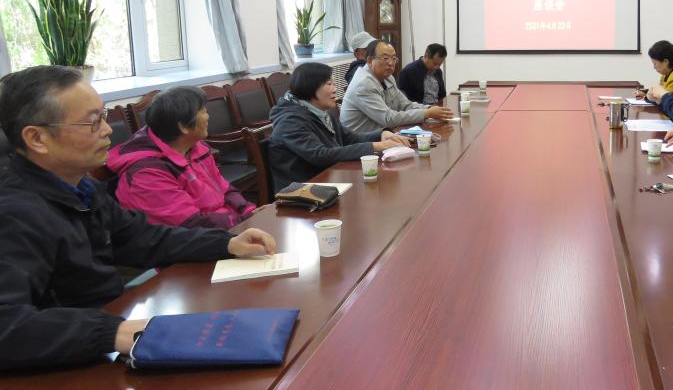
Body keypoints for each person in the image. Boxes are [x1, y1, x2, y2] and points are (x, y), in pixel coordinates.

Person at [0, 66, 276, 371]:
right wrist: (111, 333)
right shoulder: (14, 213)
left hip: (105, 333)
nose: (108, 130)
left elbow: (143, 238)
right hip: (64, 362)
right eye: (93, 122)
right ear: (37, 138)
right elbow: (7, 326)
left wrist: (225, 243)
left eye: (104, 116)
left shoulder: (82, 188)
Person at [106, 87, 256, 229]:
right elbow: (190, 223)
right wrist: (243, 220)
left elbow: (225, 189)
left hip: (226, 226)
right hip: (196, 239)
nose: (208, 116)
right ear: (183, 127)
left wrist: (248, 211)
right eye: (202, 111)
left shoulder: (196, 148)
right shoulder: (146, 173)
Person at [269, 62, 410, 192]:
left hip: (329, 181)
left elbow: (350, 138)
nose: (334, 89)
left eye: (334, 84)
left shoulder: (320, 113)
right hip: (303, 192)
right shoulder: (290, 121)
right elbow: (320, 155)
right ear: (310, 86)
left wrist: (382, 134)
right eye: (329, 84)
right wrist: (377, 146)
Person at [340, 40, 453, 134]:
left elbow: (405, 105)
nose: (391, 63)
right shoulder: (363, 84)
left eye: (394, 58)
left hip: (384, 135)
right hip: (361, 144)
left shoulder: (388, 78)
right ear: (370, 61)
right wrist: (427, 114)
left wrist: (429, 109)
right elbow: (388, 118)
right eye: (385, 58)